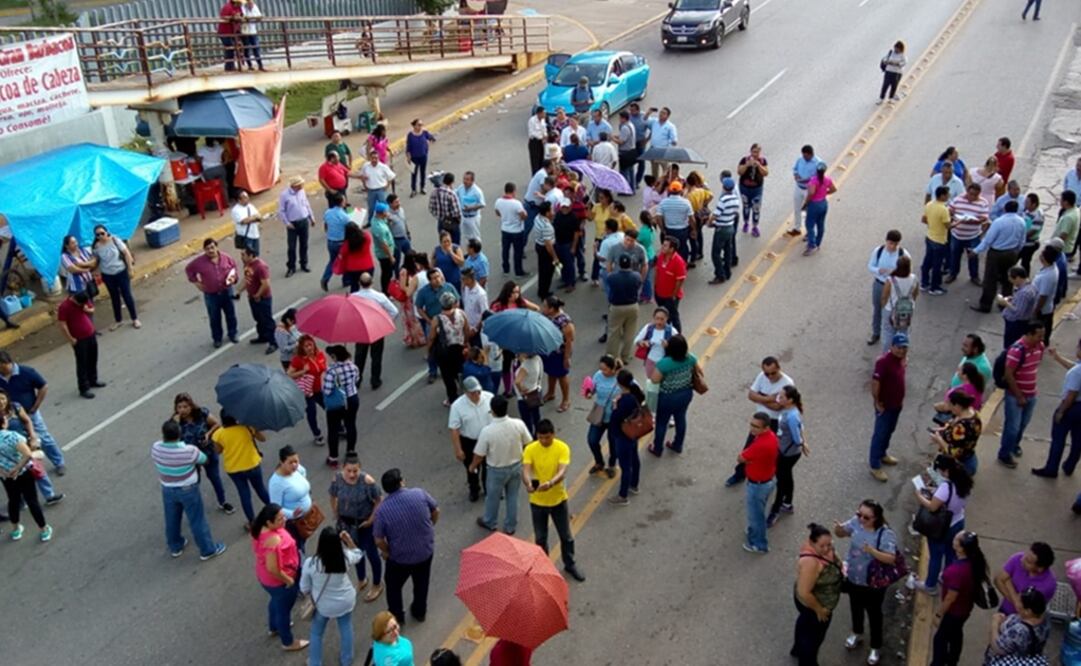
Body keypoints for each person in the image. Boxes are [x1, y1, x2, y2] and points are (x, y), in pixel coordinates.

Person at [833, 500, 898, 666]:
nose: (861, 519)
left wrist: (872, 551)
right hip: (854, 576)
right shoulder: (856, 522)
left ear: (876, 518)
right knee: (855, 607)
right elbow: (842, 533)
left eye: (866, 517)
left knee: (874, 614)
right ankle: (857, 632)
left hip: (873, 583)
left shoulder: (885, 533)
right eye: (859, 514)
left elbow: (891, 558)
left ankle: (875, 646)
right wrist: (838, 529)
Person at [373, 468, 439, 626]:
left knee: (393, 587)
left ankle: (397, 617)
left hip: (399, 558)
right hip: (424, 552)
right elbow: (435, 510)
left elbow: (378, 540)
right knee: (422, 583)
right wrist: (430, 526)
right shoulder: (419, 494)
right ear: (401, 482)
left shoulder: (382, 510)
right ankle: (419, 612)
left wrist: (387, 552)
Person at [152, 420, 227, 560]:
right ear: (179, 433)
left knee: (171, 518)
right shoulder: (189, 451)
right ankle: (207, 550)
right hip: (188, 489)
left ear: (163, 434)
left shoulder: (156, 448)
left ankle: (175, 545)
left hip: (167, 488)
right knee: (197, 519)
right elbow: (204, 460)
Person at [522, 419, 585, 581]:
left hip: (558, 500)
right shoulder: (530, 449)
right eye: (541, 437)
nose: (544, 441)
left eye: (547, 437)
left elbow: (562, 471)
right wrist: (528, 483)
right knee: (540, 538)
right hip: (537, 502)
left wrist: (550, 483)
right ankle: (544, 567)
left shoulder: (562, 448)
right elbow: (526, 470)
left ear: (553, 434)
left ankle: (570, 564)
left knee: (566, 536)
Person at [726, 356, 794, 486]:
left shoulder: (788, 383)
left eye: (773, 373)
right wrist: (769, 398)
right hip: (760, 420)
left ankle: (770, 476)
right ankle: (740, 474)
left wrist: (760, 397)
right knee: (749, 448)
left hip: (775, 422)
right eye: (767, 373)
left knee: (772, 452)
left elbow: (777, 407)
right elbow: (751, 395)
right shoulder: (762, 376)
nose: (770, 377)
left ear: (779, 368)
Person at [251, 503, 308, 651]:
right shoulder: (273, 540)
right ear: (269, 522)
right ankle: (288, 642)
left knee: (275, 601)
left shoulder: (260, 529)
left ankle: (274, 626)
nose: (284, 520)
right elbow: (273, 568)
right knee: (284, 611)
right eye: (279, 519)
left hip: (266, 578)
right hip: (280, 581)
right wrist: (288, 580)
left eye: (283, 516)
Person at [301, 527, 362, 666]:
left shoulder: (311, 563)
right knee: (346, 627)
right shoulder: (344, 557)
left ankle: (314, 662)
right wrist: (349, 540)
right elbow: (358, 554)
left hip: (323, 605)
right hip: (345, 601)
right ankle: (346, 660)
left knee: (316, 633)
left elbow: (304, 588)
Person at [471, 393, 531, 534]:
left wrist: (472, 466)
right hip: (516, 466)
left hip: (496, 470)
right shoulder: (518, 424)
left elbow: (479, 454)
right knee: (513, 496)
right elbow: (529, 443)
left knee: (493, 498)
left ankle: (490, 521)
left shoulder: (487, 431)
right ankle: (510, 526)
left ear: (492, 411)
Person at [913, 455, 973, 594]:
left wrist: (919, 496)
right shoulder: (964, 481)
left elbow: (932, 507)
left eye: (940, 470)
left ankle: (930, 585)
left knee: (936, 556)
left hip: (942, 527)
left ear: (946, 471)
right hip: (958, 521)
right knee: (951, 553)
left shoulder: (946, 487)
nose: (939, 473)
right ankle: (946, 577)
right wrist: (935, 492)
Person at [328, 453, 383, 602]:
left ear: (360, 469)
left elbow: (379, 500)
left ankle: (377, 584)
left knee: (372, 554)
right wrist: (335, 511)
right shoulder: (337, 479)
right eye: (349, 471)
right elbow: (332, 495)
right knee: (355, 553)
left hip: (364, 524)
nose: (352, 474)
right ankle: (361, 579)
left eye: (355, 471)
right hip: (346, 524)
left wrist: (371, 519)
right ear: (343, 468)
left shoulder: (367, 481)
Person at [0, 352, 66, 476]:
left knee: (44, 439)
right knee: (18, 443)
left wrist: (35, 406)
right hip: (10, 416)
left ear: (8, 362)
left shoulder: (26, 372)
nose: (1, 370)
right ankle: (28, 469)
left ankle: (59, 462)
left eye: (3, 367)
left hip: (30, 413)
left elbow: (43, 386)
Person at [930, 531, 989, 666]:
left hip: (954, 612)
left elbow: (950, 598)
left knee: (940, 639)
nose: (953, 540)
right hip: (965, 608)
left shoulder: (957, 572)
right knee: (956, 634)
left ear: (961, 548)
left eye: (956, 539)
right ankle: (952, 660)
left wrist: (939, 614)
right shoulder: (973, 563)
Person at [172, 393, 233, 514]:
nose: (182, 410)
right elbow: (172, 441)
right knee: (194, 483)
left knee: (215, 477)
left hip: (208, 452)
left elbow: (217, 424)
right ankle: (195, 508)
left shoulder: (201, 413)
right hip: (190, 458)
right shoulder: (175, 422)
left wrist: (208, 434)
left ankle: (223, 502)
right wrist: (176, 424)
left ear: (191, 406)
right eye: (179, 407)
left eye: (185, 407)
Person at [792, 523, 843, 666]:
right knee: (813, 639)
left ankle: (797, 649)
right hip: (814, 605)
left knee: (804, 625)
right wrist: (819, 610)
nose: (827, 549)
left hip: (814, 603)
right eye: (822, 546)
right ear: (811, 543)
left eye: (829, 544)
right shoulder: (811, 563)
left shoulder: (825, 550)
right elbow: (804, 592)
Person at [0, 389, 61, 506]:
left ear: (7, 398)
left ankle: (49, 495)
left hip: (24, 445)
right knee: (15, 476)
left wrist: (32, 436)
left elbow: (27, 421)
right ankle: (21, 501)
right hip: (7, 452)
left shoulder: (15, 407)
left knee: (38, 470)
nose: (1, 402)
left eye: (3, 398)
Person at [998, 321, 1046, 468]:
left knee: (1023, 424)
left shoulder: (1039, 347)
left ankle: (1014, 445)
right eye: (1039, 336)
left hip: (1031, 394)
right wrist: (1019, 396)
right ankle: (1004, 454)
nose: (1041, 339)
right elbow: (1009, 374)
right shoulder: (1017, 350)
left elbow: (1034, 366)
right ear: (1029, 334)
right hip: (1015, 396)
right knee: (1013, 427)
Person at [210, 411, 268, 527]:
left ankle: (252, 521)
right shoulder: (247, 427)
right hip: (252, 464)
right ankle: (274, 512)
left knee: (244, 494)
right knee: (260, 489)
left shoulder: (218, 434)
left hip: (234, 469)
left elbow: (218, 451)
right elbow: (263, 438)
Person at [1033, 341, 1081, 477]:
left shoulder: (1076, 373)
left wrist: (1061, 411)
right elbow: (1074, 367)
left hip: (1072, 407)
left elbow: (1072, 395)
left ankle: (1051, 468)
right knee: (1078, 440)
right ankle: (1069, 466)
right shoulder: (1078, 369)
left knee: (1058, 438)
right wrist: (1058, 358)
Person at [969, 200, 1026, 313]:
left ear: (1005, 209)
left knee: (990, 279)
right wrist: (1016, 252)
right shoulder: (1021, 222)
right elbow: (1022, 241)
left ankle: (986, 305)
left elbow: (988, 240)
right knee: (1008, 280)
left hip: (996, 253)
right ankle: (1004, 304)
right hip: (1011, 253)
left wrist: (975, 251)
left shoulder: (998, 222)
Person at [649, 334, 701, 457]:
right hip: (685, 394)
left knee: (662, 423)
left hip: (667, 397)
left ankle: (657, 448)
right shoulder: (690, 358)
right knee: (680, 418)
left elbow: (654, 380)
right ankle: (677, 445)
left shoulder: (664, 363)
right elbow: (698, 370)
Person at [0, 424, 52, 542]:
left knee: (13, 501)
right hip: (24, 473)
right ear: (3, 422)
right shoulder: (12, 436)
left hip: (6, 476)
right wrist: (17, 468)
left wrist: (5, 472)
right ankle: (44, 530)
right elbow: (28, 455)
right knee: (32, 501)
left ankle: (16, 529)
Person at [185, 238, 239, 348]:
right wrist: (196, 283)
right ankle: (217, 338)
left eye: (212, 247)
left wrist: (234, 278)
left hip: (226, 291)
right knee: (214, 318)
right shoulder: (199, 262)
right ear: (204, 250)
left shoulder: (226, 258)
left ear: (217, 247)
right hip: (211, 295)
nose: (210, 250)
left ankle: (232, 334)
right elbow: (189, 270)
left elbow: (234, 269)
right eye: (207, 249)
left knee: (231, 314)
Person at [448, 376, 494, 503]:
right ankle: (474, 489)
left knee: (489, 466)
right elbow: (454, 429)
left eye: (478, 391)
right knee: (472, 468)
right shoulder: (457, 406)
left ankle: (489, 489)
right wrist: (458, 449)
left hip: (488, 440)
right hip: (470, 442)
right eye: (473, 393)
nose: (476, 395)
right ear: (466, 392)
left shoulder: (489, 397)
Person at [350, 272, 399, 391]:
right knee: (376, 356)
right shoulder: (380, 296)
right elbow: (394, 311)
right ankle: (375, 380)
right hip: (377, 329)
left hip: (361, 329)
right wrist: (385, 322)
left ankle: (357, 380)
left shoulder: (353, 297)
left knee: (359, 356)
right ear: (371, 282)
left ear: (359, 283)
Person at [869, 333, 908, 482]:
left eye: (904, 347)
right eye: (899, 347)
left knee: (889, 431)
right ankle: (875, 466)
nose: (901, 350)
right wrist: (877, 402)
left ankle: (882, 454)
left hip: (897, 405)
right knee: (880, 434)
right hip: (885, 406)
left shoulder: (901, 360)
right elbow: (875, 383)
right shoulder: (883, 362)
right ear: (891, 346)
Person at [738, 412, 778, 554]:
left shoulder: (760, 444)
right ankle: (753, 532)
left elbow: (741, 458)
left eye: (756, 426)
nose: (752, 429)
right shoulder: (771, 437)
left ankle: (758, 544)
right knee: (759, 512)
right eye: (751, 424)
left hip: (757, 485)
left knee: (756, 516)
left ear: (766, 428)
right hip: (768, 479)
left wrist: (748, 460)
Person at [768, 386, 807, 528]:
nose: (779, 398)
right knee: (786, 477)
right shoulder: (789, 410)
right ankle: (788, 503)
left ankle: (776, 509)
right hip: (785, 450)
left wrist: (803, 443)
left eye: (782, 396)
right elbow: (801, 426)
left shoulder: (791, 416)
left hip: (787, 454)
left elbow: (796, 438)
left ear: (790, 400)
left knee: (781, 481)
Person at [606, 369, 645, 506]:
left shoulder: (624, 401)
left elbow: (615, 419)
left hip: (622, 436)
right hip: (633, 433)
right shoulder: (634, 396)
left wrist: (615, 406)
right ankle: (634, 485)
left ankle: (623, 495)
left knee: (625, 466)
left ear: (619, 383)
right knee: (634, 459)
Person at [91, 225, 140, 330]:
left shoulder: (115, 240)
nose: (101, 236)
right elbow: (96, 260)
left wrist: (130, 269)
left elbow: (126, 253)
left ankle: (134, 318)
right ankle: (118, 320)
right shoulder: (96, 247)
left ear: (106, 232)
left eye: (102, 233)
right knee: (114, 298)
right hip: (107, 275)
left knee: (127, 295)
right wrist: (94, 271)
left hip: (121, 271)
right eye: (98, 235)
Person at [268, 445, 314, 556]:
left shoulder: (297, 469)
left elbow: (303, 471)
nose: (294, 465)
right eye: (290, 462)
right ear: (281, 462)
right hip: (293, 523)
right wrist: (292, 514)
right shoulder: (276, 483)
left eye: (296, 461)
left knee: (303, 541)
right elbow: (275, 507)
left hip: (305, 518)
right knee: (298, 547)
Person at [56, 291, 101, 399]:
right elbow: (63, 325)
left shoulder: (83, 300)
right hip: (79, 339)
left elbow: (92, 309)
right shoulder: (64, 307)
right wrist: (71, 339)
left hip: (90, 334)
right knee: (82, 363)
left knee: (93, 358)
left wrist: (86, 310)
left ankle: (93, 380)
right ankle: (84, 388)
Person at [869, 230, 910, 345]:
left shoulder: (903, 254)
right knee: (877, 309)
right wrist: (878, 270)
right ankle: (876, 332)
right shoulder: (879, 251)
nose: (892, 246)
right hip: (880, 284)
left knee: (894, 311)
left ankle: (894, 335)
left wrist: (895, 272)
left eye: (895, 244)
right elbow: (870, 266)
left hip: (895, 287)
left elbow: (908, 271)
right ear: (886, 241)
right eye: (890, 243)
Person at [993, 542, 1058, 616]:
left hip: (1024, 619)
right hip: (1005, 610)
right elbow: (998, 580)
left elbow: (1023, 608)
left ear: (1040, 568)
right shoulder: (1017, 558)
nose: (1022, 559)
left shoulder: (1047, 586)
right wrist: (1015, 600)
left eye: (1028, 561)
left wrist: (1008, 582)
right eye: (1025, 555)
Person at [986, 589, 1050, 660]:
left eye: (1019, 602)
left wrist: (995, 624)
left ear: (1028, 611)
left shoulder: (1019, 630)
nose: (1016, 602)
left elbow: (998, 648)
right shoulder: (1044, 618)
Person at [931, 389, 982, 477]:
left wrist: (939, 439)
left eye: (950, 405)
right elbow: (953, 427)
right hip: (969, 457)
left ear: (958, 405)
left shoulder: (962, 427)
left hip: (959, 466)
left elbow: (953, 452)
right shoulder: (972, 414)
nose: (950, 408)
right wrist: (943, 429)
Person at [945, 183, 990, 285]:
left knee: (973, 256)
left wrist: (974, 220)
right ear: (967, 192)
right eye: (971, 194)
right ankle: (953, 273)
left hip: (973, 235)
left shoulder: (983, 203)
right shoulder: (958, 199)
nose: (973, 197)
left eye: (975, 195)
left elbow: (984, 217)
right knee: (954, 256)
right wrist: (952, 214)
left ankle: (974, 276)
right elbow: (950, 210)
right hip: (957, 235)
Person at [323, 345, 360, 467]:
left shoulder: (331, 371)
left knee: (333, 429)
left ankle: (333, 457)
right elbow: (356, 379)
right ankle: (351, 452)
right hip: (352, 399)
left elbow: (327, 390)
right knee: (351, 425)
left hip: (337, 403)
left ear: (334, 356)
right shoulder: (353, 367)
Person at [584, 354, 621, 477]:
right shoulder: (598, 375)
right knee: (592, 440)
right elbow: (593, 388)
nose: (602, 371)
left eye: (605, 369)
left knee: (613, 443)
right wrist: (590, 393)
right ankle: (599, 462)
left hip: (615, 417)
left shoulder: (621, 377)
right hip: (599, 414)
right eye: (601, 368)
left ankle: (612, 465)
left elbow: (635, 391)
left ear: (613, 368)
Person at [287, 335, 327, 445]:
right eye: (306, 346)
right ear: (302, 348)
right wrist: (303, 371)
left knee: (330, 408)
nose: (309, 347)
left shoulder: (320, 354)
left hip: (319, 389)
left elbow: (324, 369)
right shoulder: (298, 360)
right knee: (312, 413)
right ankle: (317, 435)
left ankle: (339, 427)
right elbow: (289, 374)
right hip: (307, 392)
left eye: (310, 344)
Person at [604, 255, 642, 364]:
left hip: (616, 307)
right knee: (630, 332)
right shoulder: (636, 276)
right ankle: (625, 356)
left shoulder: (612, 277)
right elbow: (639, 286)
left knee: (614, 332)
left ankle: (612, 357)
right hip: (632, 306)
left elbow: (609, 286)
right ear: (630, 264)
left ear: (619, 264)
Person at [238, 247, 276, 353]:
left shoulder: (260, 267)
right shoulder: (247, 265)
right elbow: (247, 279)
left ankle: (273, 342)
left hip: (262, 299)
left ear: (251, 255)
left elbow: (266, 284)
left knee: (267, 321)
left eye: (243, 255)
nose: (241, 257)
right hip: (252, 298)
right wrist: (239, 291)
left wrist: (258, 295)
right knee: (258, 319)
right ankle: (263, 336)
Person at [278, 176, 315, 278]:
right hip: (292, 224)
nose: (302, 186)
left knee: (304, 244)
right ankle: (291, 267)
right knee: (291, 247)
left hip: (303, 221)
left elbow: (306, 204)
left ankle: (304, 263)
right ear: (295, 185)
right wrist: (287, 223)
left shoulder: (302, 192)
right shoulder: (284, 195)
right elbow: (281, 211)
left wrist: (311, 217)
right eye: (300, 184)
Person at [708, 176, 740, 284]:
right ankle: (727, 272)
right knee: (727, 251)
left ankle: (720, 275)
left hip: (721, 229)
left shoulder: (723, 200)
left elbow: (715, 215)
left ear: (724, 187)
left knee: (715, 253)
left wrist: (709, 222)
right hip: (730, 227)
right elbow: (734, 213)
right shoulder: (735, 199)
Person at [801, 162, 836, 255]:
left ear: (816, 170)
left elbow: (811, 193)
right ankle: (818, 243)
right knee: (821, 224)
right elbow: (833, 189)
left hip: (814, 205)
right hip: (823, 203)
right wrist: (825, 193)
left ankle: (811, 245)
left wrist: (806, 203)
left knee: (809, 225)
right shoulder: (827, 179)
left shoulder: (813, 180)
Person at [655, 237, 687, 334]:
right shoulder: (661, 256)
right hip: (660, 294)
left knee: (673, 317)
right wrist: (655, 287)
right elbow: (657, 272)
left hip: (670, 296)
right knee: (663, 316)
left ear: (671, 249)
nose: (662, 247)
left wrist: (673, 296)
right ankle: (666, 334)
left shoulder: (678, 262)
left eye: (665, 246)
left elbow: (680, 280)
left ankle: (677, 336)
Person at [495, 182, 528, 276]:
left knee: (505, 250)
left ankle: (506, 269)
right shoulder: (516, 203)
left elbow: (497, 213)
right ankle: (518, 271)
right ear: (513, 191)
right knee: (517, 252)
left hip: (505, 229)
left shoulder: (498, 201)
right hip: (517, 231)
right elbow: (523, 216)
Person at [999, 266, 1037, 347]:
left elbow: (1018, 312)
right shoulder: (1030, 287)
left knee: (1010, 345)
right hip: (1020, 323)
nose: (1009, 279)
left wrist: (1005, 303)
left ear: (1018, 278)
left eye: (1011, 277)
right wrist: (1013, 299)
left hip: (1016, 324)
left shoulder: (1024, 293)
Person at [736, 143, 769, 236]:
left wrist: (759, 165)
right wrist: (747, 165)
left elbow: (766, 173)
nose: (755, 154)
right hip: (745, 188)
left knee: (756, 208)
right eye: (754, 152)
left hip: (757, 189)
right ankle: (746, 223)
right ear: (750, 152)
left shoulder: (762, 161)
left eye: (757, 152)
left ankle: (755, 226)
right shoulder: (744, 160)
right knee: (746, 206)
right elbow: (739, 172)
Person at [789, 145, 821, 237]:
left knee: (809, 211)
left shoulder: (818, 163)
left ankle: (809, 231)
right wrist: (796, 175)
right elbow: (795, 169)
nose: (804, 158)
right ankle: (797, 228)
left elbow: (818, 178)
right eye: (803, 155)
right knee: (797, 208)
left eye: (806, 156)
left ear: (811, 154)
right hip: (799, 187)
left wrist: (807, 180)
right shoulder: (800, 159)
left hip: (809, 189)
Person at [335, 222, 375, 293]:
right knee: (367, 287)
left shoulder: (347, 243)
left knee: (354, 286)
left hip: (353, 268)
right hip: (367, 265)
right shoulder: (366, 237)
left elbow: (342, 254)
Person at [532, 201, 559, 299]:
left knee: (542, 269)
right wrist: (555, 257)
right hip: (545, 249)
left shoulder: (537, 218)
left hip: (539, 245)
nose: (553, 212)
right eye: (551, 210)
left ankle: (541, 290)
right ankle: (544, 293)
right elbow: (548, 245)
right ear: (547, 213)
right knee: (547, 272)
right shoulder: (547, 226)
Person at [430, 172, 463, 245]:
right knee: (455, 245)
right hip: (452, 223)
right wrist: (458, 221)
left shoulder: (434, 192)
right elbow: (457, 212)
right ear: (452, 182)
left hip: (441, 222)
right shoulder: (451, 193)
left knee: (444, 244)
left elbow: (431, 208)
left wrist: (438, 216)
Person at [406, 119, 436, 198]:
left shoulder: (424, 133)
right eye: (419, 125)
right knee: (414, 174)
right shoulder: (410, 135)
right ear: (414, 126)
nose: (420, 127)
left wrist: (428, 143)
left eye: (421, 125)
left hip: (423, 156)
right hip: (414, 158)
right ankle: (413, 189)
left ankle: (422, 187)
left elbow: (432, 138)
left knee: (423, 172)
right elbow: (408, 146)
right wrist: (408, 156)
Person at [456, 171, 486, 243]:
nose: (465, 181)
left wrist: (471, 208)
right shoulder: (460, 188)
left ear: (472, 181)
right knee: (466, 236)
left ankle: (477, 249)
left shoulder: (477, 191)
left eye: (467, 179)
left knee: (475, 237)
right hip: (463, 216)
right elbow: (455, 195)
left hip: (473, 218)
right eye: (464, 179)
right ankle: (469, 249)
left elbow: (482, 204)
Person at [1019, 193, 1045, 273]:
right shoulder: (1027, 210)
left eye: (1027, 202)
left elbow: (1032, 231)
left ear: (1034, 204)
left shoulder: (1038, 215)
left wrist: (1019, 236)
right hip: (1023, 242)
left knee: (1025, 263)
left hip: (1029, 244)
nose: (1025, 204)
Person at [217, 0, 243, 71]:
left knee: (232, 48)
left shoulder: (238, 7)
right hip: (225, 32)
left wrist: (239, 17)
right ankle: (229, 67)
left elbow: (241, 15)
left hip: (233, 31)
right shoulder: (228, 7)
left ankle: (231, 66)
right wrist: (232, 17)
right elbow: (223, 17)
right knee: (229, 48)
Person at [526, 107, 547, 174]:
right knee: (535, 161)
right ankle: (535, 175)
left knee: (541, 159)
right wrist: (541, 137)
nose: (545, 115)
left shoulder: (543, 120)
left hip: (541, 142)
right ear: (539, 113)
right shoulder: (532, 121)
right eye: (543, 113)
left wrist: (545, 136)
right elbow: (532, 133)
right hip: (534, 142)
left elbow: (544, 129)